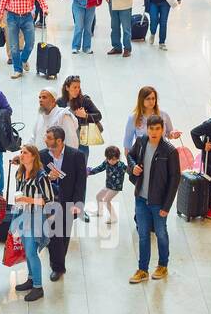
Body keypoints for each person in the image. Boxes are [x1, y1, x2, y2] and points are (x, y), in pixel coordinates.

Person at [125, 115, 181, 283]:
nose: (154, 132)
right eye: (151, 129)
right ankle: (142, 269)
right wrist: (133, 167)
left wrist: (167, 206)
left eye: (158, 129)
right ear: (146, 129)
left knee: (161, 233)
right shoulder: (142, 142)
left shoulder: (169, 151)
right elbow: (130, 156)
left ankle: (162, 265)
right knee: (143, 235)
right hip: (141, 198)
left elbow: (174, 179)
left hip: (159, 202)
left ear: (162, 130)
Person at [39, 124, 86, 281]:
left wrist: (78, 204)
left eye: (49, 138)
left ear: (59, 141)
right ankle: (58, 267)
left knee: (63, 236)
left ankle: (58, 262)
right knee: (54, 235)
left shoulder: (76, 156)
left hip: (69, 202)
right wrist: (47, 177)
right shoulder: (42, 156)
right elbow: (37, 176)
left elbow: (81, 182)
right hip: (49, 203)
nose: (45, 140)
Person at [11, 145, 52, 302]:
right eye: (21, 152)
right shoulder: (20, 173)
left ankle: (38, 286)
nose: (22, 155)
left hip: (36, 217)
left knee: (31, 252)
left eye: (25, 153)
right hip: (22, 214)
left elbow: (48, 200)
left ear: (34, 156)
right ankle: (30, 278)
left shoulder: (41, 176)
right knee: (26, 250)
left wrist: (27, 199)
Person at [0, 0, 48, 79]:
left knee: (30, 43)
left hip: (27, 17)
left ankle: (23, 59)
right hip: (12, 17)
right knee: (14, 46)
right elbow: (3, 0)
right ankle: (17, 69)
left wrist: (44, 8)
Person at [57, 74, 102, 166]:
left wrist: (85, 115)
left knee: (81, 167)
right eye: (74, 87)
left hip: (82, 141)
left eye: (78, 87)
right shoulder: (60, 102)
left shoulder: (84, 100)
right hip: (65, 141)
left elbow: (98, 115)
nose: (77, 90)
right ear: (67, 88)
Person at [122, 85, 181, 154]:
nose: (151, 101)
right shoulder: (133, 118)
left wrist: (173, 134)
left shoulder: (163, 115)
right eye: (148, 99)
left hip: (162, 155)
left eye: (153, 98)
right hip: (143, 156)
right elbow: (127, 146)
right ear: (141, 100)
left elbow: (169, 134)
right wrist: (132, 164)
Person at [87, 145, 127, 223]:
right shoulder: (106, 162)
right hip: (108, 185)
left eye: (114, 159)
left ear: (118, 158)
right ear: (106, 158)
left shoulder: (121, 165)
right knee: (98, 197)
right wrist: (89, 172)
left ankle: (114, 217)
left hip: (115, 188)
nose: (111, 161)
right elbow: (99, 168)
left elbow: (130, 170)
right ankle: (100, 212)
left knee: (106, 200)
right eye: (109, 159)